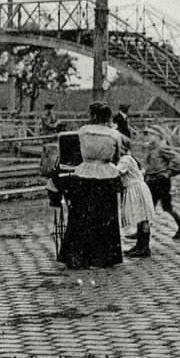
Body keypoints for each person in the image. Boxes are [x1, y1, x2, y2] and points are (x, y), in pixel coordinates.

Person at [55, 102, 126, 269]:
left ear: (93, 115)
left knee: (79, 217)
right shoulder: (114, 135)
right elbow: (117, 156)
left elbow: (76, 152)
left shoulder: (83, 131)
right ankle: (103, 257)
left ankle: (77, 255)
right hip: (105, 175)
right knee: (105, 217)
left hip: (84, 173)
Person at [141, 126, 180, 239]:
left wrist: (168, 172)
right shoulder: (151, 148)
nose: (148, 137)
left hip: (160, 182)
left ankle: (143, 236)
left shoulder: (162, 148)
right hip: (151, 181)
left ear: (158, 136)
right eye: (147, 135)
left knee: (162, 207)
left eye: (151, 134)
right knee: (149, 207)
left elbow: (177, 159)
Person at [118, 138, 157, 258]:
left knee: (143, 217)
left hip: (136, 189)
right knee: (141, 217)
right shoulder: (127, 159)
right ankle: (140, 245)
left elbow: (118, 171)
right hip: (136, 188)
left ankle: (144, 246)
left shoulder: (125, 159)